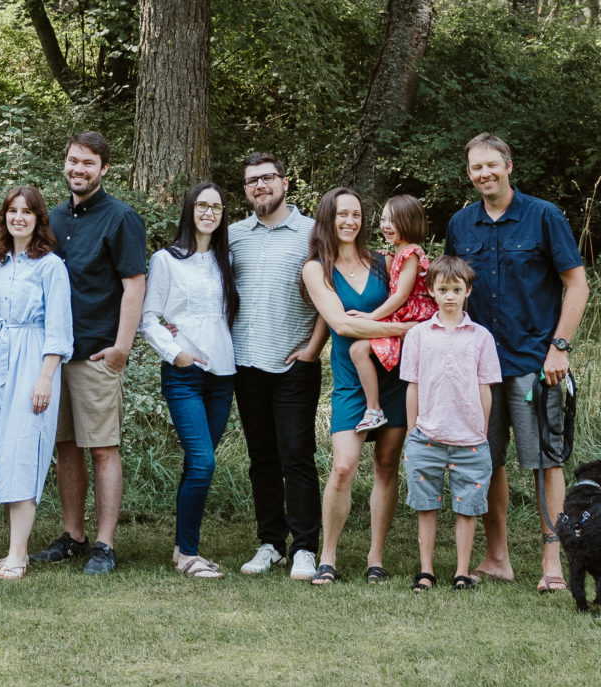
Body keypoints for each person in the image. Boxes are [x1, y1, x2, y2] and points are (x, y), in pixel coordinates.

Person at [444, 133, 589, 592]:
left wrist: (559, 348)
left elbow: (577, 285)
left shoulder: (544, 216)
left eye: (491, 165)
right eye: (475, 168)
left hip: (534, 363)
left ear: (509, 166)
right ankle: (498, 557)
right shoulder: (460, 225)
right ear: (469, 174)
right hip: (478, 368)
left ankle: (552, 564)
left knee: (546, 461)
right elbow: (449, 294)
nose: (483, 174)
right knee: (485, 460)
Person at [34, 132, 148, 576]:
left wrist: (122, 347)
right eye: (72, 161)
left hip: (97, 353)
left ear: (103, 169)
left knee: (102, 448)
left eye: (88, 163)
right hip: (54, 355)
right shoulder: (53, 218)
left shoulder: (121, 218)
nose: (78, 169)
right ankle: (73, 536)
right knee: (66, 447)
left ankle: (104, 544)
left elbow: (134, 285)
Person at [299, 189, 411, 586]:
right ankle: (327, 556)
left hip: (393, 377)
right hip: (350, 382)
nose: (350, 221)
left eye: (356, 214)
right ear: (328, 218)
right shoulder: (316, 269)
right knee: (344, 466)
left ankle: (375, 557)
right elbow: (342, 325)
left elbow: (410, 299)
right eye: (342, 214)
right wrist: (403, 330)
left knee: (386, 465)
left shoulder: (383, 263)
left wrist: (390, 328)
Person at [224, 150, 325, 580]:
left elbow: (331, 295)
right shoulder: (232, 235)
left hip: (294, 364)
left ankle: (305, 547)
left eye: (267, 178)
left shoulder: (312, 233)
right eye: (252, 181)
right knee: (261, 456)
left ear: (285, 182)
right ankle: (271, 543)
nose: (260, 186)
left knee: (296, 456)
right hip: (245, 363)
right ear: (245, 190)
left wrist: (313, 348)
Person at [0, 185, 73, 578]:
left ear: (38, 219)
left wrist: (45, 377)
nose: (19, 218)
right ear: (5, 217)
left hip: (33, 362)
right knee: (2, 450)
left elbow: (59, 328)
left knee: (24, 450)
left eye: (26, 212)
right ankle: (17, 549)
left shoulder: (50, 266)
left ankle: (18, 553)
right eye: (12, 211)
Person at [140, 183, 238, 578]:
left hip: (224, 375)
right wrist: (175, 352)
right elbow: (149, 318)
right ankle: (192, 554)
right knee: (204, 462)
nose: (209, 212)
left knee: (194, 465)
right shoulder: (166, 259)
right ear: (189, 209)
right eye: (202, 205)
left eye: (216, 207)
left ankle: (182, 550)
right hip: (184, 374)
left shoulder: (226, 259)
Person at [399, 256, 502, 591]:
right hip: (426, 435)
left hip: (469, 438)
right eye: (442, 289)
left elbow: (485, 389)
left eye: (456, 289)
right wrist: (414, 429)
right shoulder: (418, 335)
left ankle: (461, 571)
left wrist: (481, 431)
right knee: (426, 505)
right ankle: (426, 571)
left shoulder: (480, 337)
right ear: (431, 291)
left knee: (467, 508)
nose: (449, 296)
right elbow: (412, 385)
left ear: (468, 291)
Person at [360, 195, 438, 387]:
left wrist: (372, 317)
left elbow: (402, 294)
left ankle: (373, 407)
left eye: (393, 220)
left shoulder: (410, 253)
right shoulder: (403, 252)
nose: (386, 225)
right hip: (405, 314)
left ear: (410, 222)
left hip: (413, 316)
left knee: (358, 350)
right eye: (384, 219)